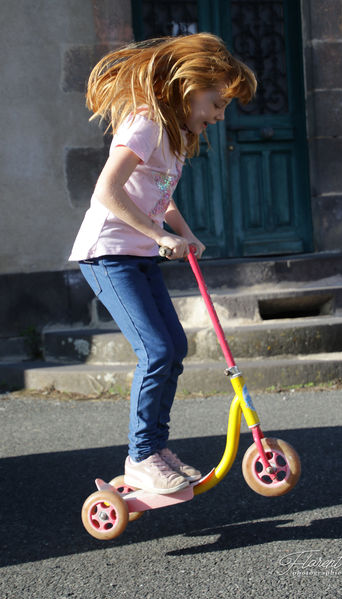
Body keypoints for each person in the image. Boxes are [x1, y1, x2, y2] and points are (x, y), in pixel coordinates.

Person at [69, 33, 257, 494]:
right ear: (190, 87)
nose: (218, 116)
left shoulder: (173, 139)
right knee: (156, 351)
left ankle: (154, 447)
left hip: (135, 254)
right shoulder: (146, 124)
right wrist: (158, 236)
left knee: (174, 347)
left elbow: (160, 200)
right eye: (216, 103)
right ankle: (142, 457)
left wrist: (185, 234)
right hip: (107, 254)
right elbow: (106, 191)